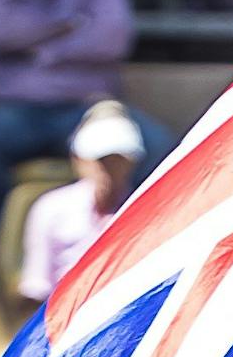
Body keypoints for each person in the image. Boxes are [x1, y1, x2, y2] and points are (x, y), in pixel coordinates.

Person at [0, 0, 173, 241]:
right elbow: (0, 32)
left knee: (158, 147)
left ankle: (133, 245)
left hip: (89, 108)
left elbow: (111, 40)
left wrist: (38, 51)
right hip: (17, 110)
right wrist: (71, 25)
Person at [16, 99, 141, 302]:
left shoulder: (143, 211)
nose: (107, 170)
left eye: (116, 160)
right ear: (78, 160)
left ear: (131, 162)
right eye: (99, 161)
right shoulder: (51, 208)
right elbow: (36, 286)